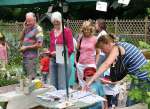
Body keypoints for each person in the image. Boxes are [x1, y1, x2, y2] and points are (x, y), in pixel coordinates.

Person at [84, 34, 149, 106]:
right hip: (141, 77)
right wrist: (110, 80)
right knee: (137, 104)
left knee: (131, 105)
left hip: (143, 78)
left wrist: (91, 80)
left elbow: (106, 64)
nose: (102, 51)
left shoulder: (116, 48)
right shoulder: (120, 47)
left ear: (107, 43)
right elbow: (121, 72)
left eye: (102, 48)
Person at [76, 20, 107, 109]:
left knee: (92, 84)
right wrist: (76, 62)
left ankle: (93, 103)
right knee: (82, 85)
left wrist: (95, 63)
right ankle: (84, 104)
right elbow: (77, 50)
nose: (86, 32)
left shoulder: (94, 39)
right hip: (81, 64)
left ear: (91, 30)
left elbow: (98, 52)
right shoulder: (80, 37)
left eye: (88, 30)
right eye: (84, 30)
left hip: (90, 64)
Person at [49, 11, 74, 90]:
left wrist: (58, 52)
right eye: (54, 22)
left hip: (63, 60)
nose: (56, 24)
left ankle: (63, 102)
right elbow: (51, 47)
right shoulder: (52, 32)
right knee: (52, 85)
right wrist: (49, 53)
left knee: (62, 86)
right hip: (53, 60)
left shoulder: (67, 31)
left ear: (61, 21)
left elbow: (71, 49)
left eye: (57, 22)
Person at [19, 12, 43, 80]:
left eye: (30, 21)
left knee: (31, 79)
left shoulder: (38, 29)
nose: (28, 22)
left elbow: (39, 44)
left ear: (35, 19)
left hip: (32, 58)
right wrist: (24, 28)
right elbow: (20, 39)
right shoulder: (27, 28)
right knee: (26, 78)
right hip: (25, 57)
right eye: (27, 21)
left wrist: (26, 47)